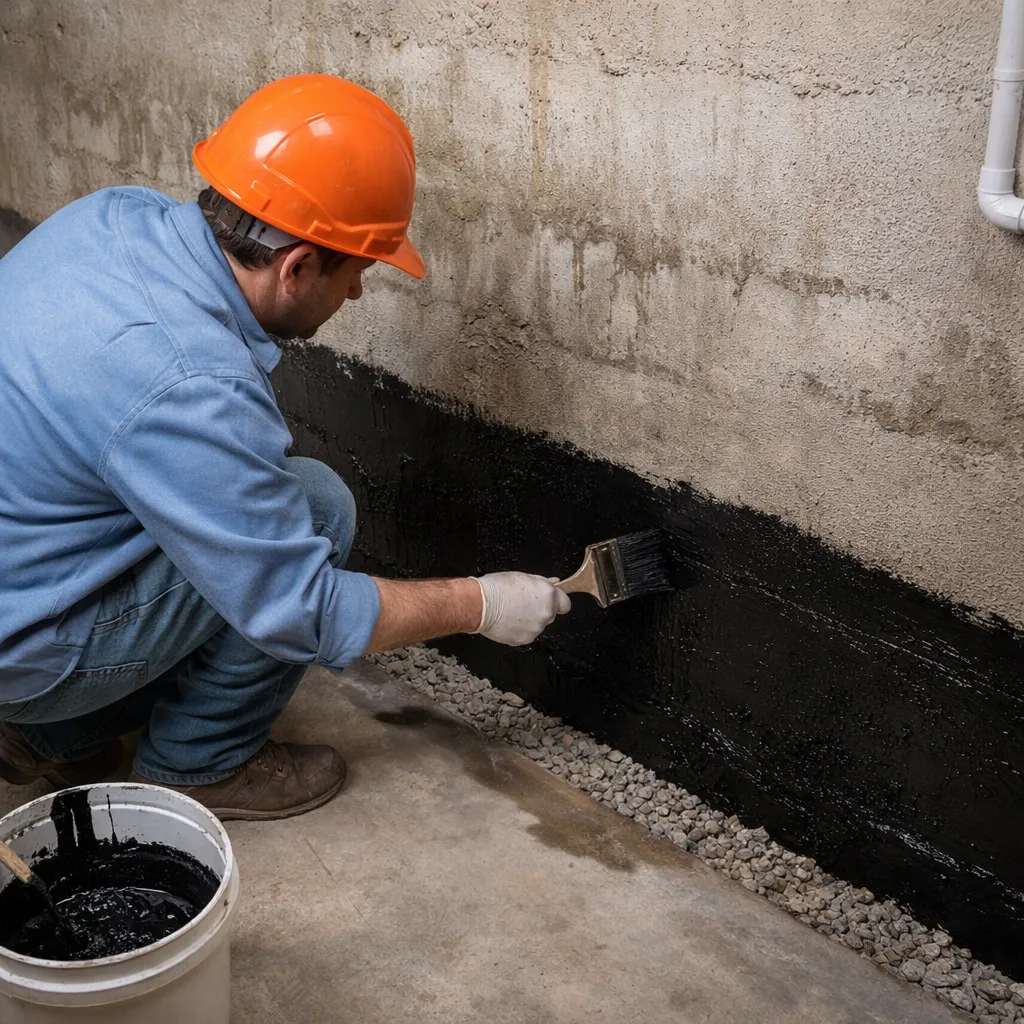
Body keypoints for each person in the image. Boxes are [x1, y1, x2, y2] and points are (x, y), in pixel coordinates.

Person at [0, 74, 570, 821]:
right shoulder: (192, 383)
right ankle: (194, 767)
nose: (357, 296)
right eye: (358, 273)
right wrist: (482, 602)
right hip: (20, 641)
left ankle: (54, 732)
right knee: (317, 508)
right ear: (297, 266)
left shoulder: (113, 217)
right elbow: (299, 612)